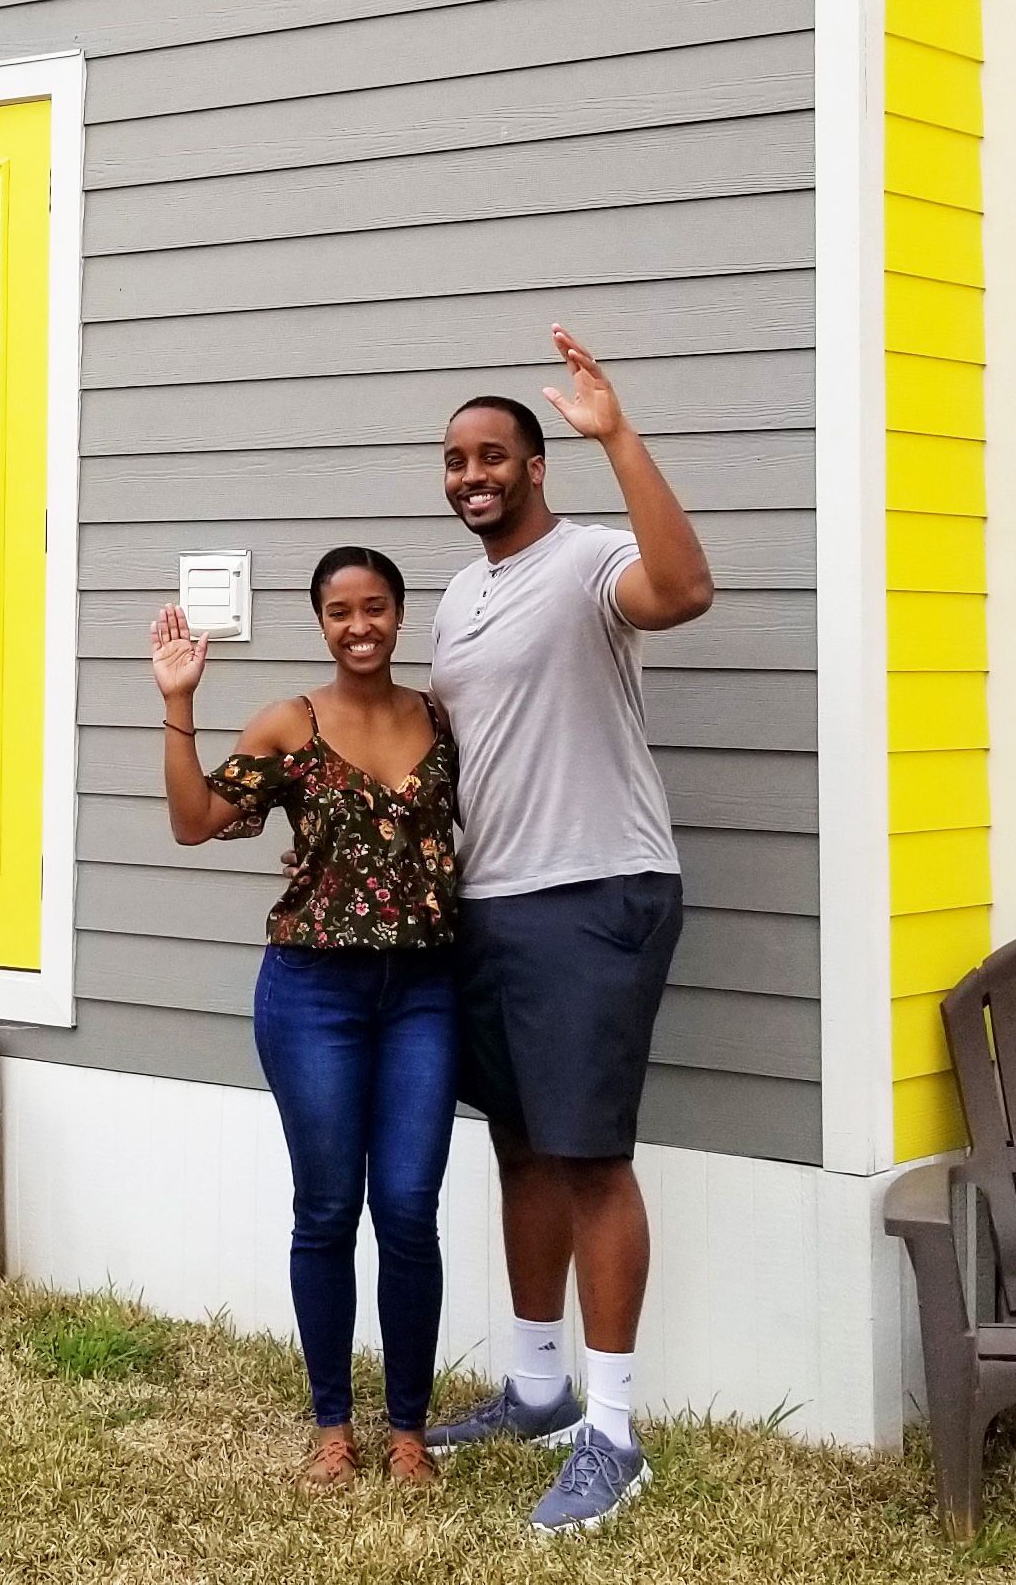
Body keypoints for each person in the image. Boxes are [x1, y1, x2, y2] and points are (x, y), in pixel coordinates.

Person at [417, 326, 714, 1535]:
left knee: (591, 1156)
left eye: (494, 454)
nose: (471, 473)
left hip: (596, 892)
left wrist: (621, 436)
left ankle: (613, 1432)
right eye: (454, 460)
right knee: (525, 1149)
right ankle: (535, 1389)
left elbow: (684, 590)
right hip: (489, 906)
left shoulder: (591, 560)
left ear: (537, 467)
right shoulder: (453, 593)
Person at [150, 546, 463, 1489]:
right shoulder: (294, 722)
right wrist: (178, 703)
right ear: (320, 621)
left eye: (375, 608)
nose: (358, 626)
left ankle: (408, 1427)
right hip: (314, 993)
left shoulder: (441, 716)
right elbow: (196, 819)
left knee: (408, 1209)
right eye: (339, 611)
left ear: (400, 617)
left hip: (424, 992)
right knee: (327, 1209)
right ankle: (335, 1424)